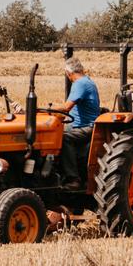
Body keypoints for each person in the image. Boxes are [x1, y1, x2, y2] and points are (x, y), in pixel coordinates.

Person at [46, 57, 100, 186]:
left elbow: (66, 107)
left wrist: (46, 109)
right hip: (76, 125)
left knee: (63, 138)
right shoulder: (86, 81)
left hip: (86, 126)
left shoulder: (81, 83)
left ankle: (73, 178)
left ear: (68, 73)